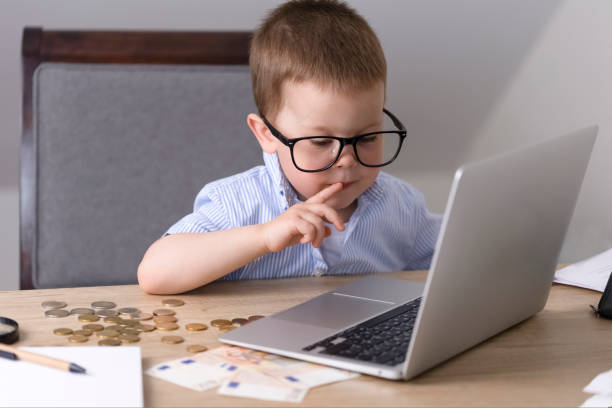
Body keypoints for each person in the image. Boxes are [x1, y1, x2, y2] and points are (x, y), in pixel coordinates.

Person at [138, 0, 442, 294]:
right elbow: (155, 273)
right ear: (266, 133)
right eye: (321, 141)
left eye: (367, 138)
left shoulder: (401, 206)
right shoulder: (238, 203)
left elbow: (457, 256)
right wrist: (263, 237)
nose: (347, 160)